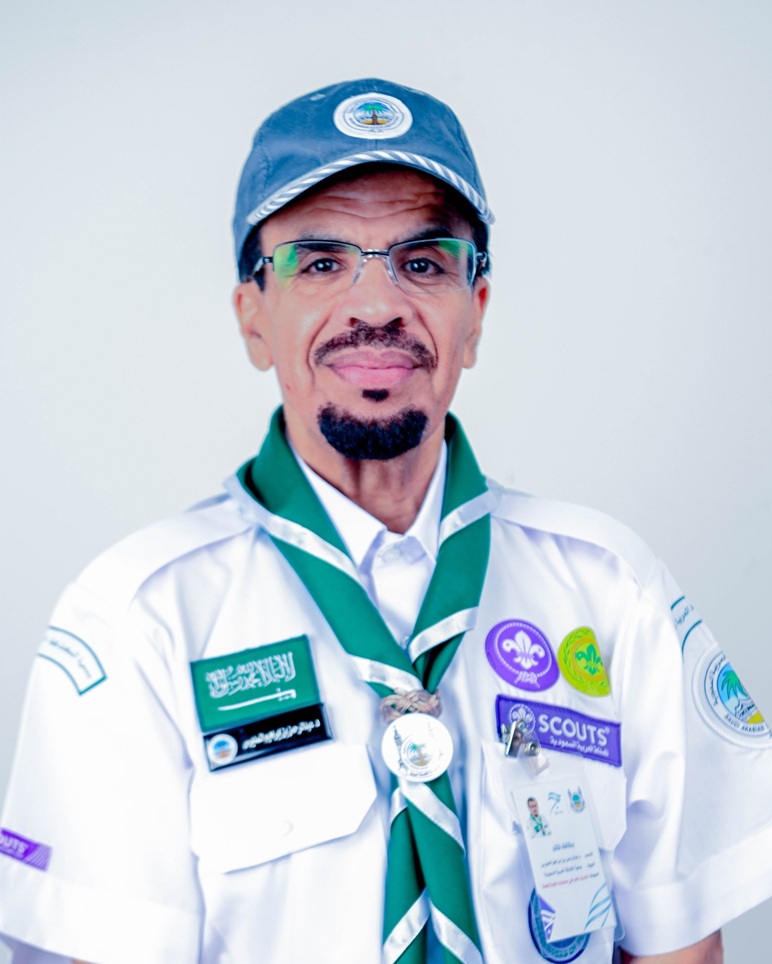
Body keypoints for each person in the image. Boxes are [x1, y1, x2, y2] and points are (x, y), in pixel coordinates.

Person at [0, 77, 768, 964]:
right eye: (320, 262)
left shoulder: (609, 587)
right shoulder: (139, 617)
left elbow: (679, 946)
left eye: (425, 262)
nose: (376, 305)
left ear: (475, 315)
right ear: (253, 317)